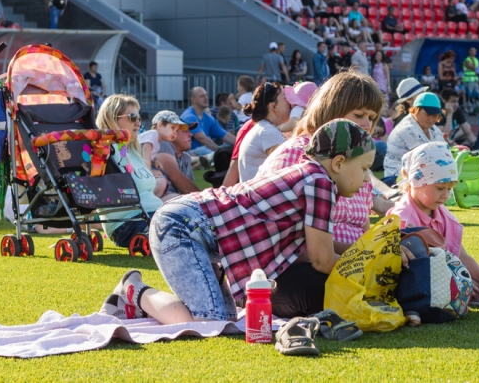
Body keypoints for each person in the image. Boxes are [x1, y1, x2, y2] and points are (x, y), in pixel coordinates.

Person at [100, 119, 379, 324]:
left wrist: (366, 252)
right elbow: (322, 260)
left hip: (189, 223)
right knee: (209, 321)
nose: (367, 179)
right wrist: (369, 270)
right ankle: (134, 290)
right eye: (364, 168)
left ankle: (135, 304)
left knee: (226, 317)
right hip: (182, 226)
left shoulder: (312, 176)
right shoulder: (320, 183)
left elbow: (318, 248)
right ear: (338, 163)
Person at [256, 72, 390, 252]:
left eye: (372, 118)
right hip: (314, 263)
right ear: (331, 110)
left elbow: (363, 227)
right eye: (359, 115)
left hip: (355, 260)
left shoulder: (357, 160)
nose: (367, 125)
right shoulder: (296, 155)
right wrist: (366, 252)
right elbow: (284, 240)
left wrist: (377, 251)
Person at [388, 141, 479, 291]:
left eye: (449, 189)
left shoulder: (442, 213)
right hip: (423, 282)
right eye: (440, 188)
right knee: (467, 286)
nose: (445, 195)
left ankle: (474, 290)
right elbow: (411, 270)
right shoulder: (403, 218)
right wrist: (462, 281)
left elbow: (462, 256)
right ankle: (472, 291)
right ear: (417, 181)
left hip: (451, 274)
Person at [91, 95, 168, 250]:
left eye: (139, 117)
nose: (138, 122)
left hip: (153, 215)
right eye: (132, 117)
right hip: (128, 224)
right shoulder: (106, 151)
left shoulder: (132, 150)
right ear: (113, 118)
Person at [383, 92, 446, 182]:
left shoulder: (434, 130)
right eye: (428, 114)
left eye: (435, 115)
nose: (431, 119)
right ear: (416, 110)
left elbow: (444, 152)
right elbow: (426, 158)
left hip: (421, 176)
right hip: (397, 178)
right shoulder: (407, 128)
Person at [238, 82, 291, 182]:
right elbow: (290, 168)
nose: (290, 102)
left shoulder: (264, 128)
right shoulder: (268, 132)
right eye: (285, 98)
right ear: (273, 106)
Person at [181, 87, 236, 156]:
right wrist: (219, 152)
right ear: (193, 99)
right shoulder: (189, 117)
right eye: (202, 96)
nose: (206, 98)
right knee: (204, 150)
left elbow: (225, 135)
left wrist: (241, 145)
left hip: (205, 151)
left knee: (229, 147)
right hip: (191, 153)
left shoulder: (207, 118)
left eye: (206, 95)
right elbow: (201, 138)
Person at [156, 113, 201, 195]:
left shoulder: (186, 157)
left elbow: (188, 189)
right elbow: (175, 177)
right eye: (185, 131)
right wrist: (202, 198)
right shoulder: (162, 143)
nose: (191, 134)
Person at [462, 47, 479, 114]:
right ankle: (471, 109)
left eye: (475, 50)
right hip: (468, 80)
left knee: (477, 94)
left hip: (475, 80)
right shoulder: (467, 59)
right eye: (472, 50)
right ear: (469, 52)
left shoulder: (476, 59)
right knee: (470, 95)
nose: (474, 52)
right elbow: (473, 67)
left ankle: (477, 108)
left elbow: (478, 69)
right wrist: (475, 67)